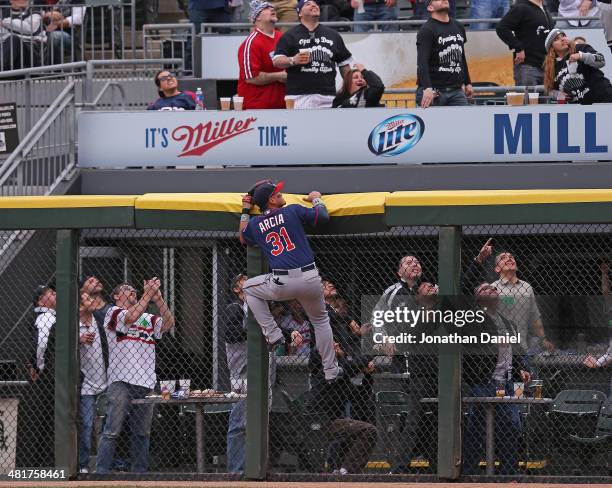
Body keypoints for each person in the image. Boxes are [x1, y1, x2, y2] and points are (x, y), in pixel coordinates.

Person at [239, 179, 342, 382]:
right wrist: (316, 198)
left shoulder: (256, 223)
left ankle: (274, 335)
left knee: (249, 289)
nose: (280, 194)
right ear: (270, 200)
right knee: (321, 321)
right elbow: (322, 216)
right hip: (310, 278)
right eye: (276, 194)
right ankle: (331, 370)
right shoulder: (292, 211)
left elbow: (243, 237)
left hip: (282, 282)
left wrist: (245, 209)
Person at [96, 279, 175, 474]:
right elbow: (130, 318)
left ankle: (139, 474)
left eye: (134, 291)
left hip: (146, 380)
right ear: (116, 296)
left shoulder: (147, 317)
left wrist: (158, 299)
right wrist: (147, 294)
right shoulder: (112, 313)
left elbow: (168, 323)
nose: (132, 293)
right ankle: (101, 474)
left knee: (142, 433)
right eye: (127, 291)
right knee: (112, 431)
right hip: (120, 380)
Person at [224, 273, 302, 473]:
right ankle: (237, 470)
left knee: (259, 423)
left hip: (266, 375)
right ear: (237, 289)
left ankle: (257, 467)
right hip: (244, 374)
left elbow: (272, 328)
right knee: (240, 423)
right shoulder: (235, 309)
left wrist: (289, 333)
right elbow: (232, 334)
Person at [462, 283, 531, 475]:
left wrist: (521, 370)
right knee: (478, 428)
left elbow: (516, 353)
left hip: (507, 382)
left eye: (493, 289)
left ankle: (509, 472)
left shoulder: (508, 323)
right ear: (477, 298)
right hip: (484, 380)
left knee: (510, 426)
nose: (491, 291)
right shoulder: (471, 318)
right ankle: (470, 472)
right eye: (484, 290)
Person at [272, 0, 353, 109]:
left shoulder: (333, 35)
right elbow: (277, 61)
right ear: (300, 13)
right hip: (298, 96)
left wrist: (349, 90)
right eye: (308, 4)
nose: (314, 5)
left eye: (315, 4)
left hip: (328, 97)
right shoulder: (289, 35)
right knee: (300, 126)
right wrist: (293, 60)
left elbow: (345, 66)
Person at [415, 0, 473, 109]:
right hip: (434, 90)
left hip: (456, 91)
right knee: (431, 125)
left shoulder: (458, 26)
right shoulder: (427, 30)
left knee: (464, 124)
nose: (444, 0)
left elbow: (461, 56)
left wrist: (468, 82)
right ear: (430, 7)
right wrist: (427, 88)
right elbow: (422, 61)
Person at [237, 0, 287, 110]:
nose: (272, 9)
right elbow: (251, 78)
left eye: (272, 8)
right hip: (257, 108)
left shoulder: (282, 37)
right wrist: (279, 76)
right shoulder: (251, 43)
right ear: (258, 17)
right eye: (266, 8)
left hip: (282, 106)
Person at [78, 291, 107, 474]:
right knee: (86, 426)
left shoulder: (99, 321)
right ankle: (83, 465)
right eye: (88, 299)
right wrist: (78, 340)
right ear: (80, 306)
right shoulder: (74, 326)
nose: (93, 301)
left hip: (105, 381)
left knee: (107, 427)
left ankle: (107, 465)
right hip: (86, 384)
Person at [543, 28, 612, 104]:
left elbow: (601, 60)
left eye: (563, 36)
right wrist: (557, 94)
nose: (562, 39)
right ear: (551, 48)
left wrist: (581, 56)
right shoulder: (552, 67)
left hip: (603, 98)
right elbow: (549, 89)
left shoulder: (580, 48)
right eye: (556, 39)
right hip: (579, 108)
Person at [496, 0, 555, 86]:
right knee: (527, 99)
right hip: (527, 66)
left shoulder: (545, 8)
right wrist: (518, 48)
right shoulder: (521, 7)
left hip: (546, 66)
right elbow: (502, 28)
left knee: (545, 99)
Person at [0, 0, 46, 71]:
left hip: (30, 51)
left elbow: (30, 28)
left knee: (13, 39)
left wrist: (5, 22)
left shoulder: (35, 11)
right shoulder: (3, 12)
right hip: (8, 50)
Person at [43, 0, 86, 64]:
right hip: (45, 32)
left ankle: (55, 70)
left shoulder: (77, 1)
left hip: (71, 35)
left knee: (54, 37)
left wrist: (57, 24)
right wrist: (46, 16)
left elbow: (78, 18)